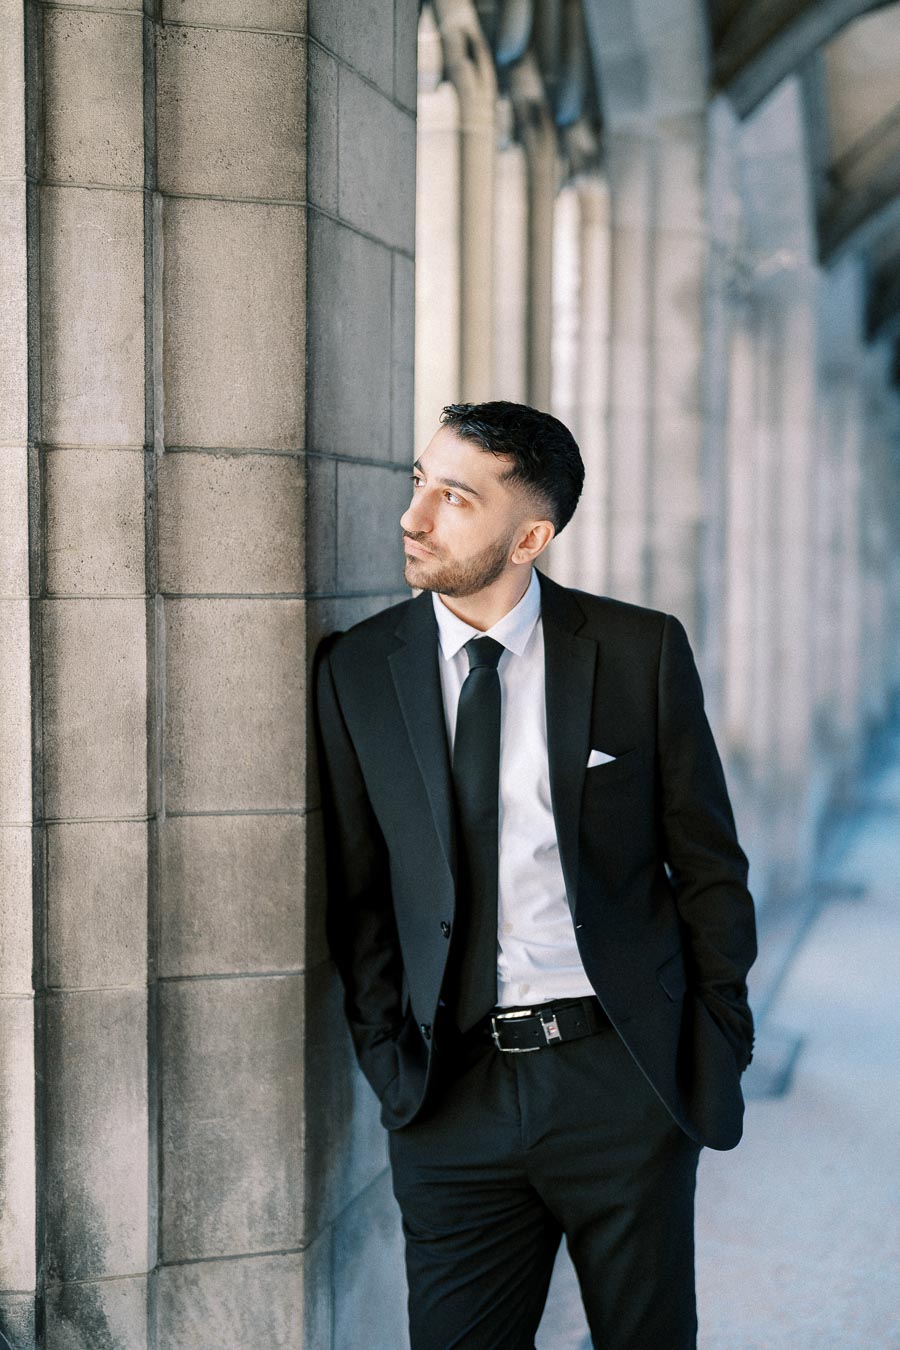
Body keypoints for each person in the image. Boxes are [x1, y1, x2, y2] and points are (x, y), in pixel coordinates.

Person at [312, 400, 757, 1350]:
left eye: (455, 497)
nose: (415, 516)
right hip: (449, 1102)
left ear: (531, 535)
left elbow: (711, 866)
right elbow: (358, 897)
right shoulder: (357, 671)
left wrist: (716, 1040)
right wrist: (392, 1066)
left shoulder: (638, 653)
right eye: (418, 481)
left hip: (621, 1079)